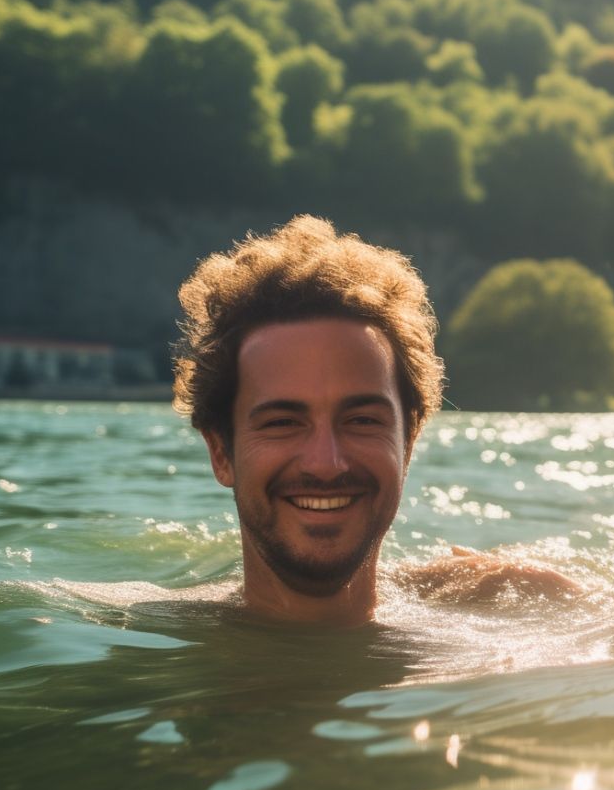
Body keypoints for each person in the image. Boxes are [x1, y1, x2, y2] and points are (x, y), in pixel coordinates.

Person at [173, 215, 578, 624]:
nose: (325, 463)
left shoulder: (524, 610)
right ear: (221, 452)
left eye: (362, 420)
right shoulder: (140, 633)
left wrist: (539, 590)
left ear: (408, 442)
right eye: (282, 423)